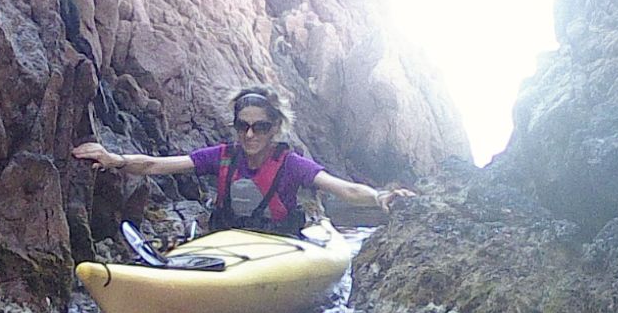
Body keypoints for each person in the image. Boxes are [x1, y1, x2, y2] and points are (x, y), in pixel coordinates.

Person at [71, 85, 412, 237]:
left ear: (275, 127)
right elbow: (156, 166)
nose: (250, 135)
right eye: (242, 126)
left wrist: (379, 196)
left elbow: (345, 190)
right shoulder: (221, 157)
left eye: (260, 127)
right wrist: (113, 159)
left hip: (279, 248)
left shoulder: (291, 164)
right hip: (230, 242)